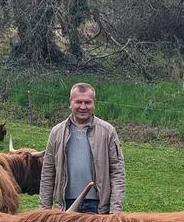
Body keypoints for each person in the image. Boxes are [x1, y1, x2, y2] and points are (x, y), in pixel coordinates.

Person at [39, 82, 125, 214]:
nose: (83, 107)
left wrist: (115, 212)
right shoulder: (57, 132)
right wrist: (44, 211)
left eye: (88, 102)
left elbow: (117, 172)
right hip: (65, 206)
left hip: (97, 207)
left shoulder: (108, 131)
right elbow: (48, 173)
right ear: (71, 102)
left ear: (94, 103)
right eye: (78, 102)